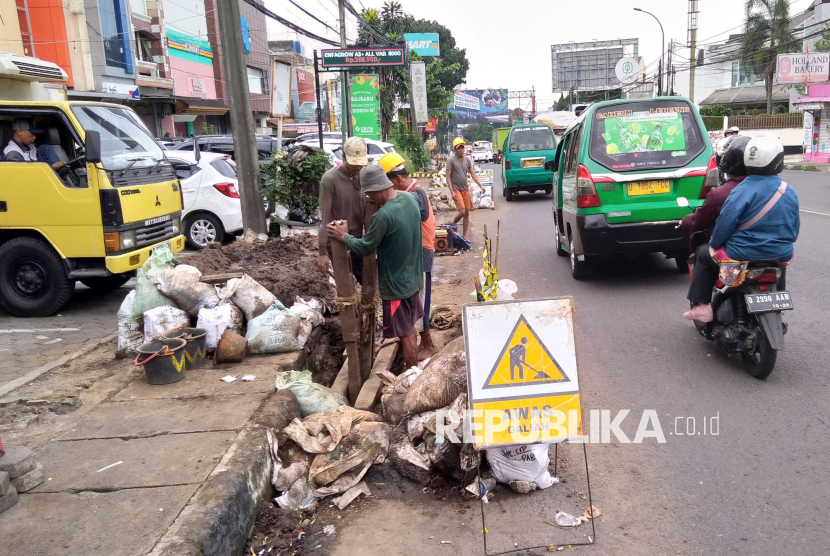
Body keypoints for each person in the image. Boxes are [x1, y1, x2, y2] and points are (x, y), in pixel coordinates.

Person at [684, 135, 800, 322]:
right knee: (778, 256)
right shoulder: (788, 189)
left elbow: (724, 225)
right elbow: (794, 228)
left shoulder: (740, 190)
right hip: (781, 253)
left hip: (741, 254)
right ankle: (778, 298)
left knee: (704, 254)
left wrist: (714, 244)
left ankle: (703, 307)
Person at [326, 165, 424, 368]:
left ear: (377, 189)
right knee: (410, 327)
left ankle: (412, 375)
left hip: (397, 286)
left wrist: (344, 236)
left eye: (369, 193)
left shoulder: (383, 216)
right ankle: (414, 371)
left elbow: (365, 247)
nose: (369, 197)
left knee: (405, 334)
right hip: (413, 277)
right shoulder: (409, 199)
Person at [379, 151, 437, 360]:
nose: (391, 190)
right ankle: (424, 341)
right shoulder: (413, 191)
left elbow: (413, 214)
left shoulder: (415, 193)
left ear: (397, 179)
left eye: (391, 184)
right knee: (417, 299)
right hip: (417, 249)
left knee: (421, 299)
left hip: (422, 249)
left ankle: (428, 343)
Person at [318, 137, 368, 283]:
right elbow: (324, 216)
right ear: (344, 156)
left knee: (368, 283)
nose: (357, 167)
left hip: (359, 242)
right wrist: (322, 251)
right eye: (354, 163)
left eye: (360, 164)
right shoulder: (330, 179)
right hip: (337, 244)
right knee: (345, 289)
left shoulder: (364, 176)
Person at [680, 136, 750, 238]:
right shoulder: (777, 189)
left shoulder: (720, 194)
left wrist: (684, 221)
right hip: (775, 248)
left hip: (738, 248)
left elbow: (698, 221)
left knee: (703, 252)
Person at [445, 137, 482, 240]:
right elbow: (448, 176)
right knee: (461, 212)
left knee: (466, 213)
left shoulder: (467, 160)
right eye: (459, 148)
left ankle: (464, 237)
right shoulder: (451, 160)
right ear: (455, 149)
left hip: (465, 189)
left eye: (463, 147)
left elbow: (472, 173)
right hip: (456, 189)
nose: (461, 150)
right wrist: (451, 191)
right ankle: (452, 225)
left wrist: (480, 185)